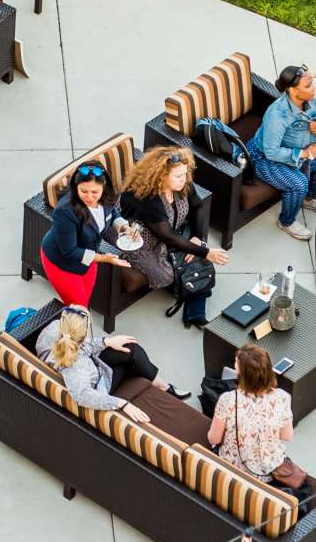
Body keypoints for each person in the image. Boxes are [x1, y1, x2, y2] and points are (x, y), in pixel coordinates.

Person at [117, 145, 228, 327]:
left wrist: (198, 238)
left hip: (174, 232)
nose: (184, 179)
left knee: (197, 256)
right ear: (161, 176)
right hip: (142, 243)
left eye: (185, 174)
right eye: (178, 176)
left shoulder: (182, 184)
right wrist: (205, 252)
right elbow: (167, 236)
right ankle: (192, 292)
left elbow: (198, 206)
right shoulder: (148, 199)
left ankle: (195, 310)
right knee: (167, 275)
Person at [206, 343, 315, 497]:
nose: (234, 365)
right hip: (270, 473)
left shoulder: (228, 400)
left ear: (243, 374)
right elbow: (287, 436)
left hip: (234, 470)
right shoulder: (282, 397)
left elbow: (214, 438)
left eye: (236, 364)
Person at [249, 63, 316, 239]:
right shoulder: (277, 115)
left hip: (303, 149)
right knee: (299, 183)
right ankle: (286, 221)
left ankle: (310, 198)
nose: (314, 88)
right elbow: (271, 151)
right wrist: (304, 154)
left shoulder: (312, 101)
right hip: (264, 158)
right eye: (308, 85)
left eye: (312, 82)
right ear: (292, 91)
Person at [34, 307, 167, 420]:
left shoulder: (54, 329)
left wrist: (106, 342)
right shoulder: (77, 368)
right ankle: (161, 386)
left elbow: (80, 346)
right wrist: (123, 404)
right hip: (98, 384)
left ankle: (159, 383)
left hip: (89, 362)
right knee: (131, 357)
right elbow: (83, 396)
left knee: (128, 347)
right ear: (84, 335)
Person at [39, 161, 131, 307]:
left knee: (84, 302)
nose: (89, 197)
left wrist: (125, 227)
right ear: (76, 188)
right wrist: (103, 258)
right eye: (83, 191)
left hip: (88, 258)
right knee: (79, 310)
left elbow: (112, 213)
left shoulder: (106, 197)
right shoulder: (65, 211)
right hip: (62, 263)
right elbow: (69, 250)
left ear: (104, 187)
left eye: (95, 192)